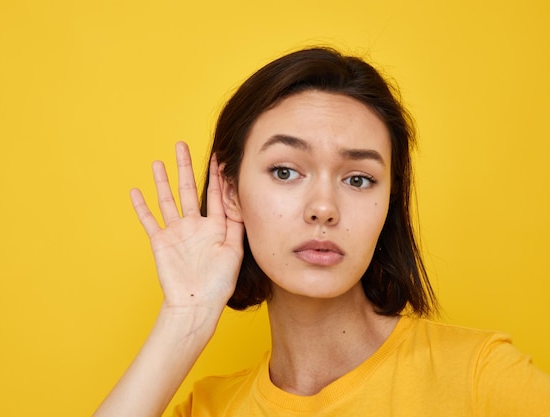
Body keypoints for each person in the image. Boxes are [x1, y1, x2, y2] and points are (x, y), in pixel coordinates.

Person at [94, 47, 550, 417]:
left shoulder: (478, 378)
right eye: (286, 171)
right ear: (230, 191)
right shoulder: (210, 409)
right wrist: (184, 320)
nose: (324, 209)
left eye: (358, 179)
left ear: (389, 200)